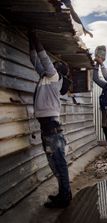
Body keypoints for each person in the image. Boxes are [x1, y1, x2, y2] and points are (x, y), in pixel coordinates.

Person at [28, 31, 72, 208]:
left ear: (58, 71)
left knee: (59, 164)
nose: (53, 64)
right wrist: (31, 41)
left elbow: (43, 58)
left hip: (52, 128)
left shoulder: (54, 77)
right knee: (54, 164)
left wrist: (35, 35)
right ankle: (63, 194)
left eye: (56, 64)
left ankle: (65, 197)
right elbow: (35, 60)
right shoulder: (45, 77)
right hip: (47, 129)